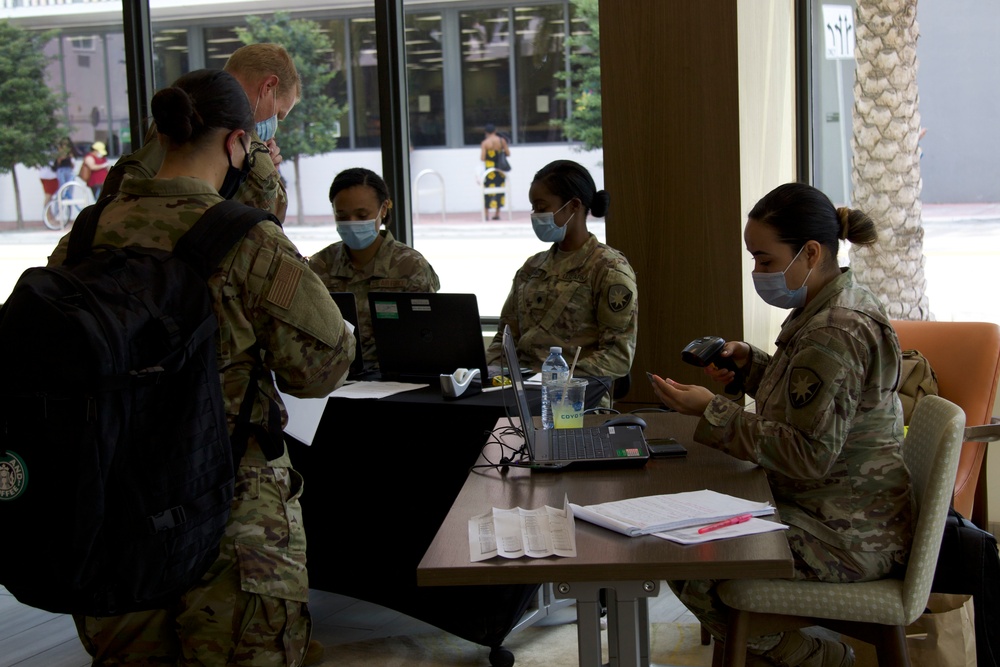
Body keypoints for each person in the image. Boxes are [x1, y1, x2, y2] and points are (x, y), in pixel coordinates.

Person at [46, 69, 355, 666]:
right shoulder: (246, 239)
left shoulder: (84, 236)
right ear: (239, 143)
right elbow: (320, 368)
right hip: (232, 512)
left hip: (113, 503)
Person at [649, 182, 913, 667]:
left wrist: (711, 410)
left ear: (810, 252)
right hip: (827, 509)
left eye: (766, 261)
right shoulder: (830, 305)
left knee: (689, 558)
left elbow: (808, 454)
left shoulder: (836, 329)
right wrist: (752, 366)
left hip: (846, 534)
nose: (757, 272)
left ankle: (815, 657)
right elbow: (815, 404)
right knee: (684, 535)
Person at [100, 43, 299, 220]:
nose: (274, 125)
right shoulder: (240, 133)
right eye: (278, 114)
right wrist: (267, 167)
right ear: (268, 86)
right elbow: (272, 211)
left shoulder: (180, 107)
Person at [485, 159, 637, 384]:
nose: (535, 215)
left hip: (575, 398)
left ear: (574, 206)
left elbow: (617, 357)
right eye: (533, 208)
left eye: (542, 207)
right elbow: (504, 338)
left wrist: (553, 381)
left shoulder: (609, 270)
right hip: (518, 393)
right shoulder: (530, 269)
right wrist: (487, 374)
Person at [308, 167, 441, 367]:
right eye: (342, 216)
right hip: (332, 379)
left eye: (362, 216)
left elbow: (426, 336)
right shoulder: (320, 265)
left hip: (396, 378)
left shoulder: (410, 266)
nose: (351, 223)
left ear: (383, 209)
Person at [480, 123, 510, 220]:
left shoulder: (485, 143)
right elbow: (508, 153)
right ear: (495, 131)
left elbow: (482, 158)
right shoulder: (502, 141)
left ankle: (486, 214)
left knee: (487, 192)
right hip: (499, 170)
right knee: (499, 190)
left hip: (489, 171)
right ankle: (497, 214)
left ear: (486, 132)